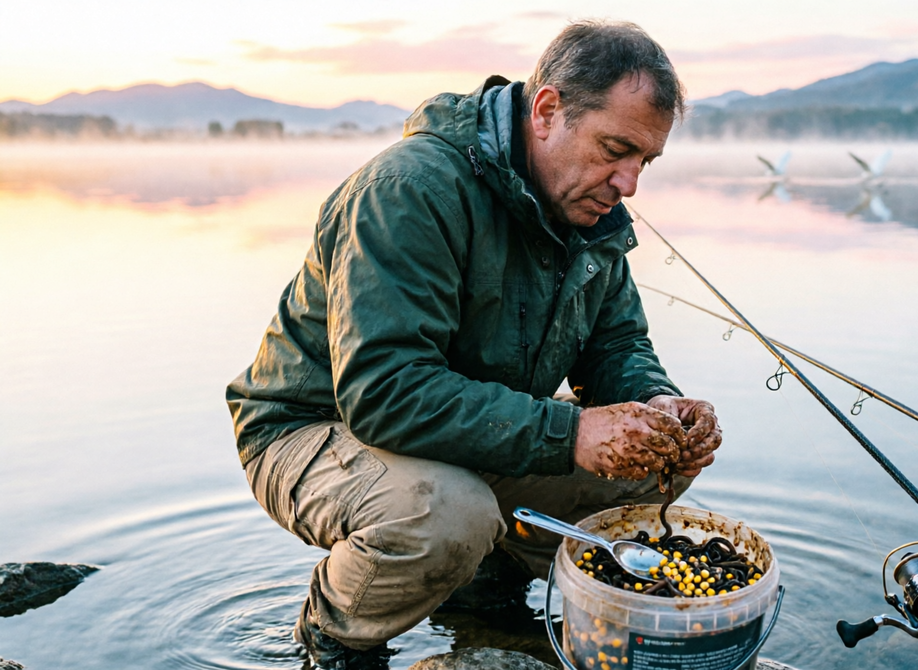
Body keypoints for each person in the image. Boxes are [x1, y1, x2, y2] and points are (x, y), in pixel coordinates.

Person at [226, 19, 722, 669]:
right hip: (312, 426)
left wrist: (655, 403)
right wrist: (570, 436)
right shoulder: (410, 188)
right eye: (614, 149)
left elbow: (616, 342)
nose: (628, 184)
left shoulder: (591, 211)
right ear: (547, 111)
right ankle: (337, 637)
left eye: (643, 162)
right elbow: (384, 394)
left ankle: (485, 586)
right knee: (447, 516)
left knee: (662, 457)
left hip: (467, 435)